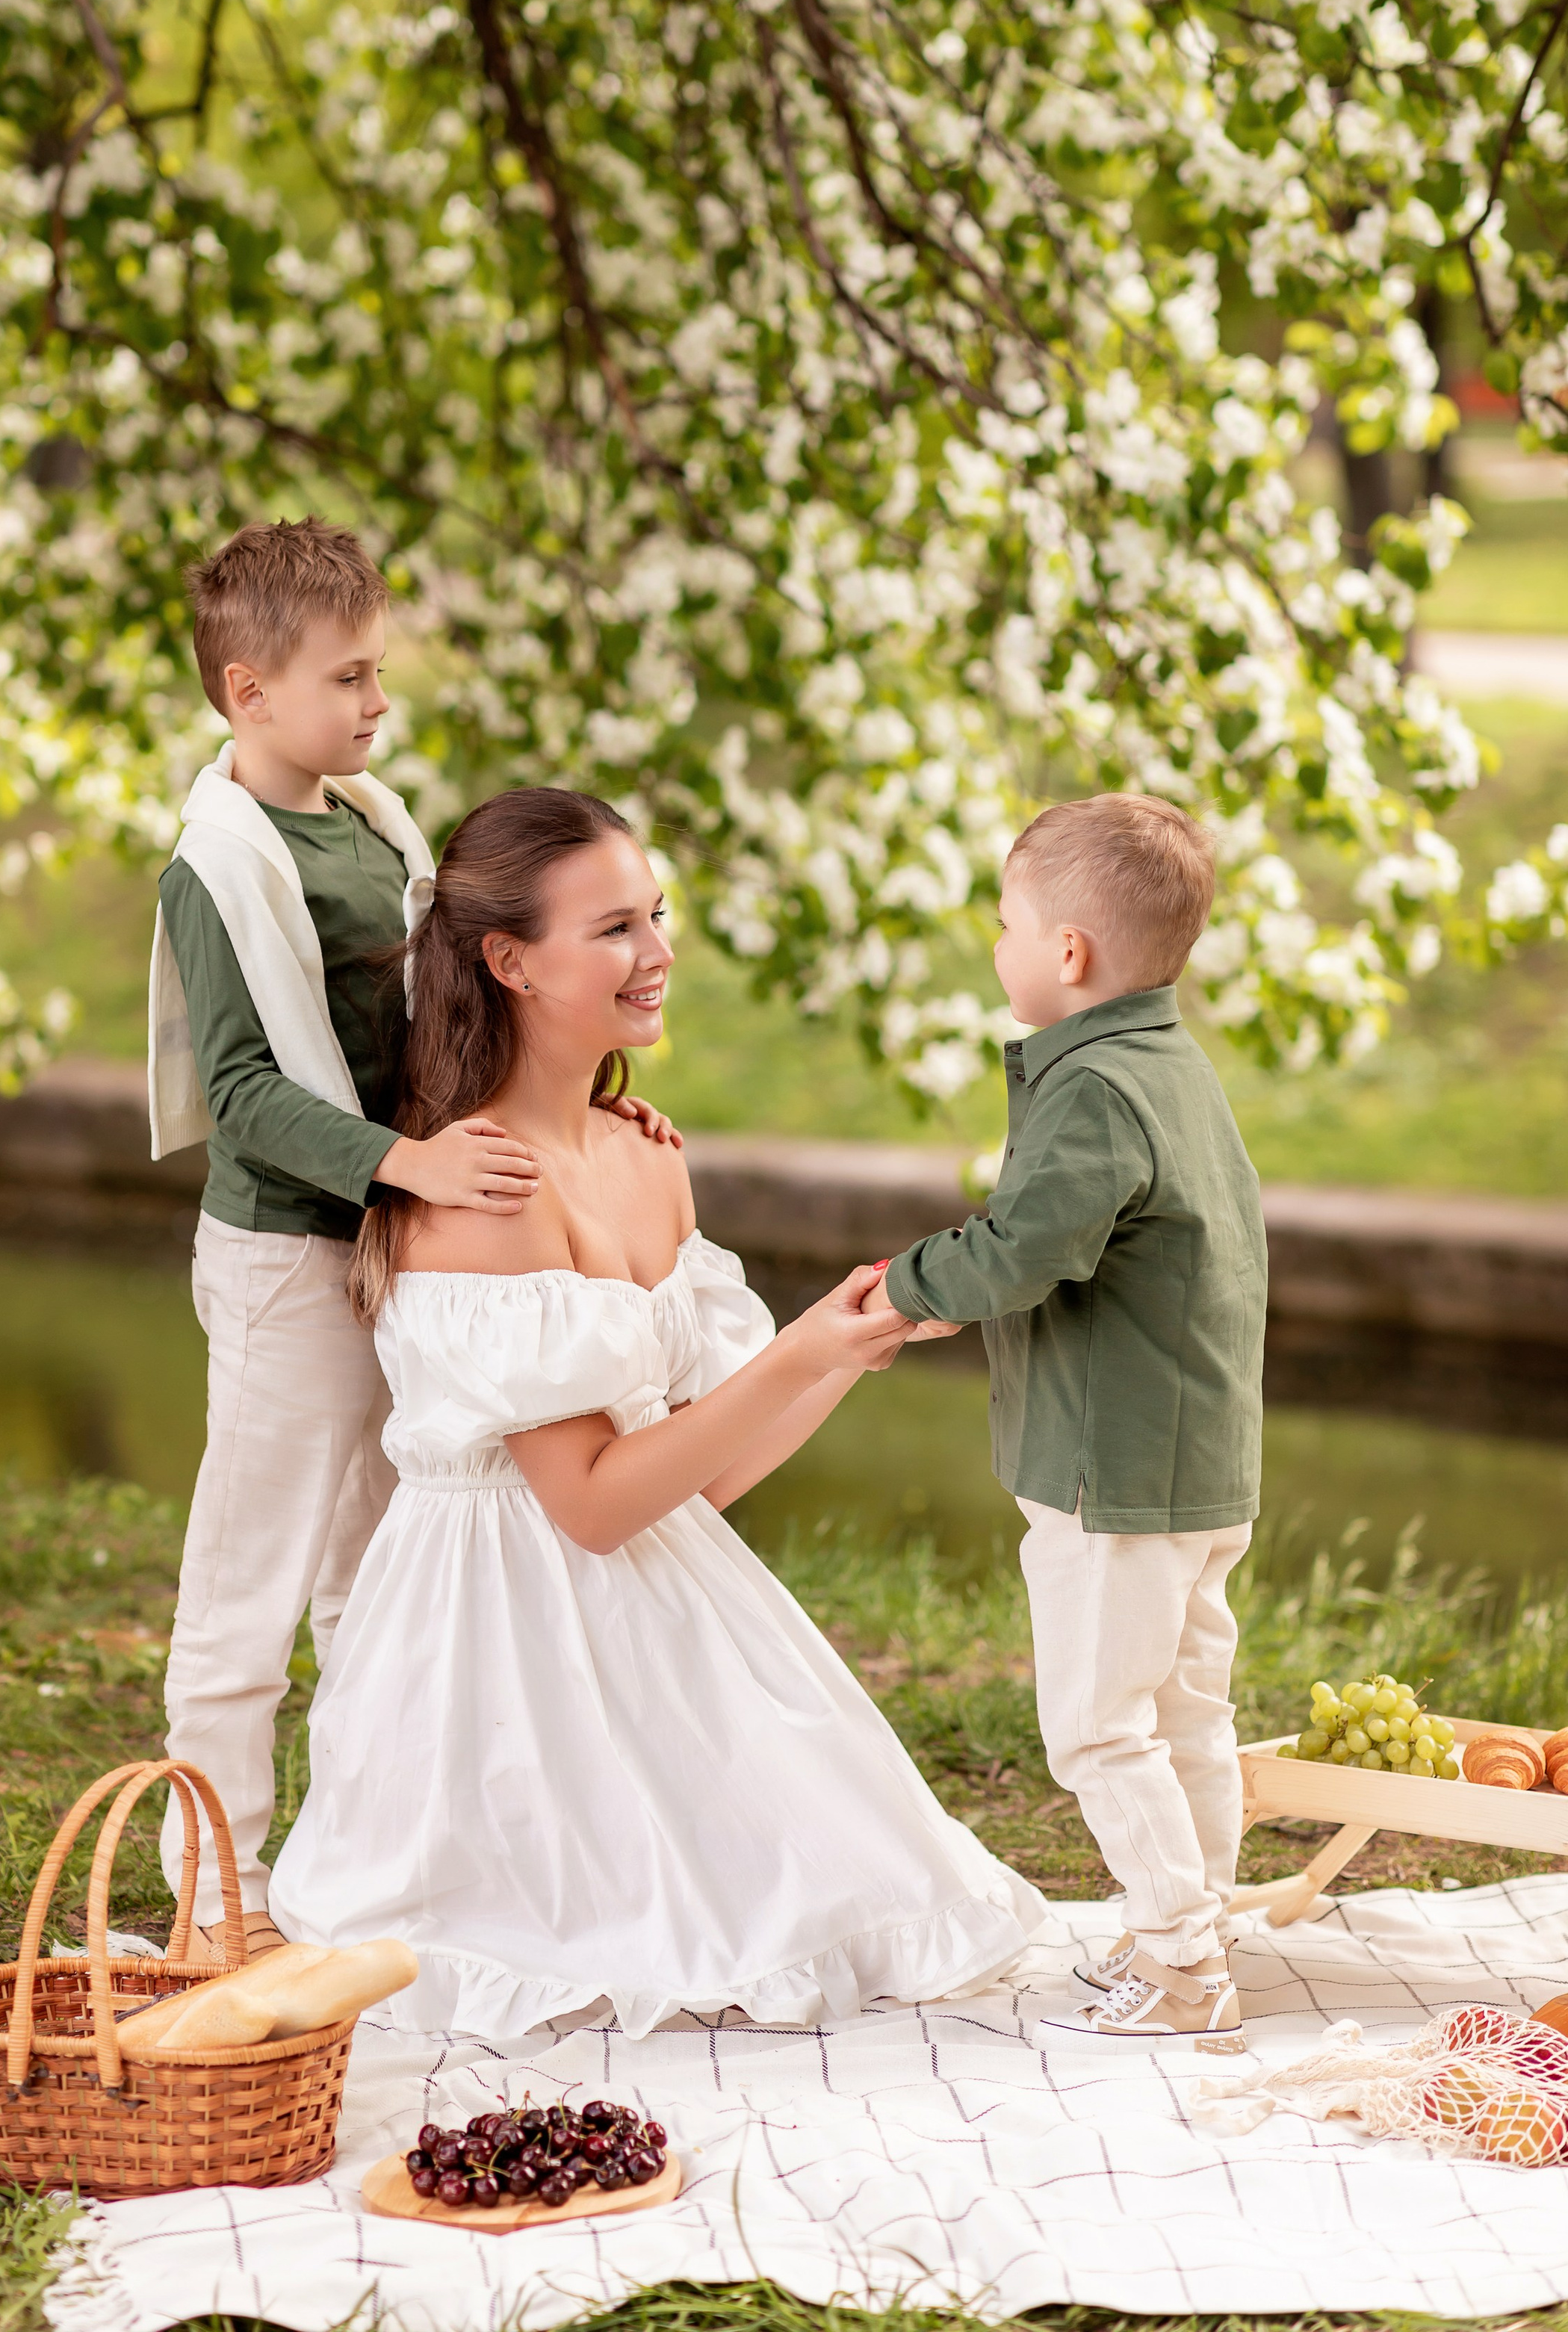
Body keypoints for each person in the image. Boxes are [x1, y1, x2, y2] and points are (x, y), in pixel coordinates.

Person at [266, 786, 1047, 2033]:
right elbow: (584, 1507)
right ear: (510, 962)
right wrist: (796, 1354)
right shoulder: (485, 1183)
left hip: (656, 1583)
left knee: (850, 1884)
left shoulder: (644, 1153)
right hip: (498, 1635)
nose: (660, 955)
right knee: (643, 1923)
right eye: (617, 928)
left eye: (658, 917)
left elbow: (700, 1481)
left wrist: (842, 1352)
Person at [147, 524, 678, 1960]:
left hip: (392, 1239)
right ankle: (213, 1894)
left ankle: (363, 1859)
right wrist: (409, 1160)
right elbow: (247, 1095)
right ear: (248, 691)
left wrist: (600, 1115)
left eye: (380, 672)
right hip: (285, 1257)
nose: (376, 704)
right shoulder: (220, 864)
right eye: (348, 678)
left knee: (375, 1569)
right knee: (249, 1579)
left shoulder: (373, 828)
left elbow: (460, 1009)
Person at [866, 795, 1265, 2056]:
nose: (999, 946)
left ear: (1070, 954)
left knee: (1098, 1724)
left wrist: (907, 1290)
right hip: (1202, 1463)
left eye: (1006, 925)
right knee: (1189, 1710)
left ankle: (1186, 1969)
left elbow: (1028, 1247)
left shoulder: (1093, 1089)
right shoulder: (1171, 1066)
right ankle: (1191, 1934)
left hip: (1115, 1472)